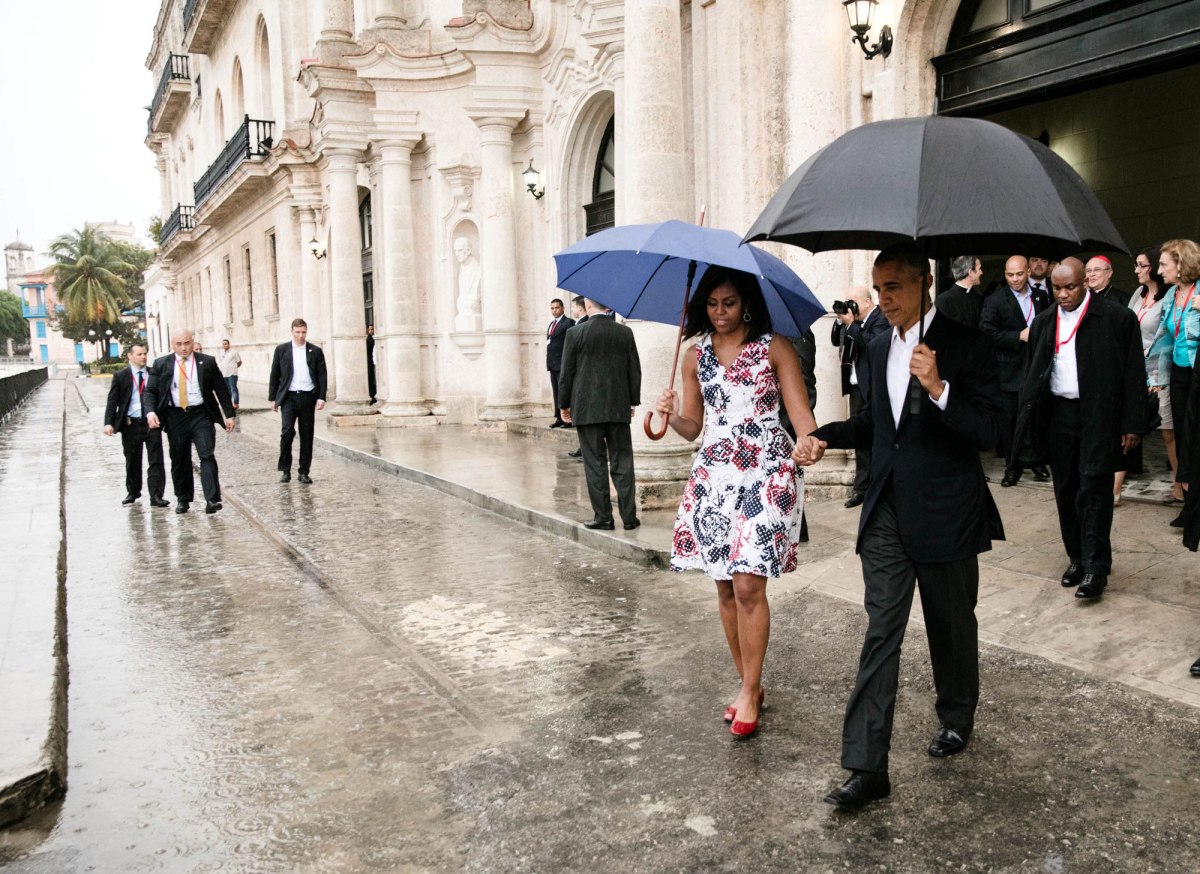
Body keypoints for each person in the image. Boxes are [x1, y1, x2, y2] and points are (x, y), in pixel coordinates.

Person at [796, 243, 1004, 811]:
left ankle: (956, 715)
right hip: (887, 510)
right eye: (878, 287)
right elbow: (875, 424)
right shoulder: (875, 343)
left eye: (895, 287)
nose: (884, 299)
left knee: (951, 624)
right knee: (881, 631)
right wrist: (824, 436)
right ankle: (867, 766)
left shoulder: (967, 345)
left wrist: (939, 389)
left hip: (947, 513)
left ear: (925, 284)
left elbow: (990, 430)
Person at [655, 267, 814, 739]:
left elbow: (801, 414)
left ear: (745, 303)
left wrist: (809, 441)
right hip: (714, 473)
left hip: (766, 468)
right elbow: (692, 427)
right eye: (711, 304)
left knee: (748, 585)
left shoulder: (774, 347)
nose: (719, 312)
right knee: (724, 587)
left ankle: (749, 690)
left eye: (728, 303)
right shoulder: (693, 356)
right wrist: (669, 413)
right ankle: (749, 682)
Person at [1014, 258, 1145, 601]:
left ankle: (1096, 567)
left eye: (1070, 286)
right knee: (1067, 490)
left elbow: (1134, 373)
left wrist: (1132, 423)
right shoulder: (1044, 322)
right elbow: (1033, 375)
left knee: (1095, 491)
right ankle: (1076, 558)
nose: (1063, 294)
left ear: (1085, 282)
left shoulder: (1117, 317)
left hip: (1099, 416)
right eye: (1057, 288)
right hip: (1059, 416)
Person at [558, 298, 641, 530]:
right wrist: (632, 402)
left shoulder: (575, 333)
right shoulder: (625, 332)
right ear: (608, 307)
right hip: (618, 407)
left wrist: (563, 405)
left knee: (594, 463)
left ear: (588, 305)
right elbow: (634, 369)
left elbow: (566, 374)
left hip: (586, 408)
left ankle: (603, 516)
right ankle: (629, 518)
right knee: (623, 461)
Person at [144, 330, 236, 514]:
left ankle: (212, 499)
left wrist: (229, 414)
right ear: (172, 344)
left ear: (193, 342)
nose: (184, 347)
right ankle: (183, 498)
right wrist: (150, 412)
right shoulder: (162, 364)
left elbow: (221, 389)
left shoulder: (207, 362)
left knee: (206, 454)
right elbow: (150, 391)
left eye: (187, 343)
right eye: (179, 344)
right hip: (175, 416)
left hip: (201, 414)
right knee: (179, 458)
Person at [980, 255, 1051, 486]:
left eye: (1019, 274)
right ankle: (1013, 467)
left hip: (1035, 368)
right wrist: (1017, 336)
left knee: (1035, 419)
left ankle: (1037, 461)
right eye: (1010, 275)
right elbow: (986, 332)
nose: (1014, 279)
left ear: (1028, 272)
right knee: (1010, 422)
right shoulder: (996, 300)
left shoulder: (1040, 296)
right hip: (1009, 371)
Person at [1114, 247, 1169, 505]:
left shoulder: (1169, 296)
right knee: (1127, 425)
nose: (1136, 270)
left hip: (1160, 372)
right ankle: (1114, 489)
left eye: (1141, 265)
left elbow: (1167, 336)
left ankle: (1182, 486)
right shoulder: (1138, 293)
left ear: (1154, 267)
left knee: (1168, 433)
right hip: (1133, 369)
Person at [1151, 240, 1200, 523]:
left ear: (1181, 265)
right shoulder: (1170, 296)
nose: (1160, 270)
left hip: (1198, 373)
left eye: (1164, 265)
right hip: (1179, 375)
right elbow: (1164, 338)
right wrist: (1153, 375)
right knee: (1182, 438)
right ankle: (1190, 506)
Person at [830, 285, 888, 507]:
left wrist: (852, 324)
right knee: (860, 438)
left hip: (874, 387)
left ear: (866, 302)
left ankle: (879, 486)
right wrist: (839, 321)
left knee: (878, 437)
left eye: (852, 302)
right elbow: (837, 340)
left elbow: (873, 343)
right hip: (856, 387)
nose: (850, 306)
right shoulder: (852, 324)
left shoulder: (880, 318)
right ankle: (861, 488)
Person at [103, 343, 170, 508]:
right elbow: (112, 401)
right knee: (132, 459)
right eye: (139, 354)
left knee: (156, 459)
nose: (143, 357)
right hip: (130, 424)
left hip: (151, 423)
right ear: (130, 356)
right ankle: (133, 491)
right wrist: (108, 423)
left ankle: (156, 495)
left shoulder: (153, 373)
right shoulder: (121, 376)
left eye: (145, 354)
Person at [268, 318, 328, 484]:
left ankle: (304, 471)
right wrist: (273, 398)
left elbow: (322, 374)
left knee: (307, 434)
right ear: (292, 331)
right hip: (289, 397)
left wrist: (321, 397)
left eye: (303, 332)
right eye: (298, 332)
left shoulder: (315, 351)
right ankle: (285, 470)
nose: (301, 335)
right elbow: (275, 374)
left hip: (308, 396)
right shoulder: (282, 350)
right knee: (287, 432)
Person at [545, 298, 575, 428]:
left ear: (562, 308)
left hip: (563, 364)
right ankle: (559, 417)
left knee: (565, 391)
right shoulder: (551, 324)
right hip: (552, 365)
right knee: (556, 391)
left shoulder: (569, 322)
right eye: (552, 308)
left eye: (557, 308)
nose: (554, 310)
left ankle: (568, 418)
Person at [935, 255, 985, 329]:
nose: (981, 272)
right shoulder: (944, 300)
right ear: (971, 272)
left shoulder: (978, 298)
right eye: (979, 269)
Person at [454, 237, 482, 332]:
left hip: (473, 312)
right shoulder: (462, 269)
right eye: (456, 251)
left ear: (469, 250)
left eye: (460, 250)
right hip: (463, 314)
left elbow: (475, 296)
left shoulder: (477, 269)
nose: (457, 254)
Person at [217, 339, 242, 410]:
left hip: (232, 374)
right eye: (223, 344)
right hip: (224, 374)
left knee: (233, 388)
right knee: (227, 389)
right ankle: (229, 404)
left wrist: (234, 368)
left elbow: (239, 361)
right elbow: (220, 363)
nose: (224, 345)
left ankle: (236, 403)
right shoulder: (221, 353)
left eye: (226, 344)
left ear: (229, 344)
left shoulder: (233, 352)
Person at [366, 325, 377, 405]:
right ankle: (372, 396)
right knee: (371, 379)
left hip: (373, 361)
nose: (371, 331)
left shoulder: (373, 339)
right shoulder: (368, 339)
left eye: (372, 329)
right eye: (370, 329)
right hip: (370, 362)